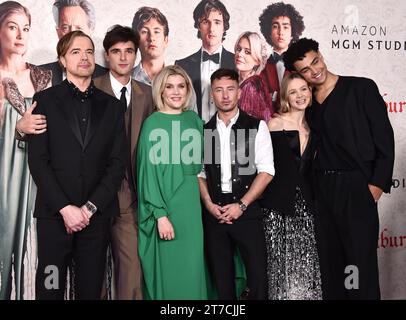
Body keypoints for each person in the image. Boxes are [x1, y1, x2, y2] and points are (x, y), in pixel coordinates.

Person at [283, 38, 395, 299]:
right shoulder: (307, 104)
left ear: (320, 55)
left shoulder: (361, 88)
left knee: (357, 265)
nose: (315, 70)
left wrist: (375, 187)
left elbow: (384, 140)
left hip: (356, 189)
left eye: (315, 61)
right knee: (332, 265)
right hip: (322, 192)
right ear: (298, 75)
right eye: (306, 70)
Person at [28, 30, 126, 300]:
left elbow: (117, 164)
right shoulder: (44, 102)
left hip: (95, 219)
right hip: (53, 217)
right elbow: (38, 161)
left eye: (88, 51)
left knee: (90, 292)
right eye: (75, 52)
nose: (84, 57)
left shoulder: (113, 107)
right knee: (50, 289)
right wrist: (65, 209)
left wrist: (88, 209)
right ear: (62, 60)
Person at [198, 68, 274, 299]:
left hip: (248, 214)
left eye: (230, 89)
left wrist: (241, 205)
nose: (225, 95)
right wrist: (210, 205)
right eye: (219, 90)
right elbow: (200, 173)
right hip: (215, 216)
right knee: (222, 284)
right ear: (212, 94)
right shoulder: (204, 131)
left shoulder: (256, 126)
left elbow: (267, 171)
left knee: (258, 280)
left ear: (239, 92)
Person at [137, 65, 208, 300]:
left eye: (181, 86)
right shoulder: (152, 124)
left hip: (193, 212)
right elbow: (147, 175)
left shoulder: (195, 121)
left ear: (188, 90)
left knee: (193, 270)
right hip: (167, 211)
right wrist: (160, 215)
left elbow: (203, 171)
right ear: (161, 90)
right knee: (171, 276)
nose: (176, 92)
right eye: (169, 86)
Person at [94, 25, 154, 300]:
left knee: (131, 273)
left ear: (136, 56)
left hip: (130, 196)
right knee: (92, 273)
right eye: (116, 51)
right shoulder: (91, 90)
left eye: (129, 51)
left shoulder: (149, 94)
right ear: (107, 56)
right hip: (91, 195)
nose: (123, 57)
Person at [0, 0, 51, 300]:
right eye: (12, 27)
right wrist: (17, 127)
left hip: (39, 175)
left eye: (26, 28)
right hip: (6, 174)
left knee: (38, 246)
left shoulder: (41, 77)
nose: (20, 34)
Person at [261, 72, 322, 300]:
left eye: (304, 89)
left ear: (310, 91)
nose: (300, 95)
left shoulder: (314, 129)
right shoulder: (274, 124)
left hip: (306, 210)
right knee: (279, 272)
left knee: (306, 269)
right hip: (277, 209)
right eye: (293, 91)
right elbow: (263, 167)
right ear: (285, 96)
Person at [175, 0, 235, 122]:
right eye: (205, 22)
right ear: (198, 26)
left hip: (230, 133)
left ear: (224, 27)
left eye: (217, 22)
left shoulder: (238, 63)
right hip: (193, 133)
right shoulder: (181, 66)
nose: (211, 28)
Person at [41, 0, 107, 85]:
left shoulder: (106, 77)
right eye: (65, 27)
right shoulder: (40, 75)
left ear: (91, 31)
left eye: (78, 28)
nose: (72, 34)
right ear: (58, 32)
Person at [258, 2, 304, 109]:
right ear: (269, 32)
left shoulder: (301, 64)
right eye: (275, 26)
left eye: (286, 27)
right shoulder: (261, 66)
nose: (280, 32)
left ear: (293, 33)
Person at [234, 31, 273, 122]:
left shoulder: (250, 86)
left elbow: (244, 128)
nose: (240, 54)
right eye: (239, 49)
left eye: (247, 52)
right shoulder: (252, 83)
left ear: (257, 61)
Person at [131, 7, 168, 86]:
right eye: (144, 31)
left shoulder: (180, 79)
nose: (151, 38)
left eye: (157, 32)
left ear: (166, 40)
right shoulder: (125, 80)